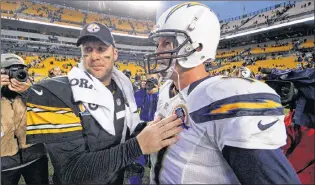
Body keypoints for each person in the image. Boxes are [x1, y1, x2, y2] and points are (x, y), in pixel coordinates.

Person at [143, 2, 301, 184]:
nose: (158, 51)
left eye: (167, 43)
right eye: (159, 44)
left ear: (197, 46)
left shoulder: (221, 96)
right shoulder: (166, 89)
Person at [7, 22, 183, 184]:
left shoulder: (123, 87)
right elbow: (70, 172)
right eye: (88, 49)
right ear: (82, 54)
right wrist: (136, 147)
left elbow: (124, 131)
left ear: (115, 53)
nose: (94, 56)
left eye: (101, 48)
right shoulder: (57, 92)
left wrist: (149, 129)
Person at [1, 53, 49, 185]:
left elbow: (47, 115)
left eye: (21, 71)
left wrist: (30, 93)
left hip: (35, 156)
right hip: (4, 161)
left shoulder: (33, 91)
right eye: (11, 71)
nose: (17, 76)